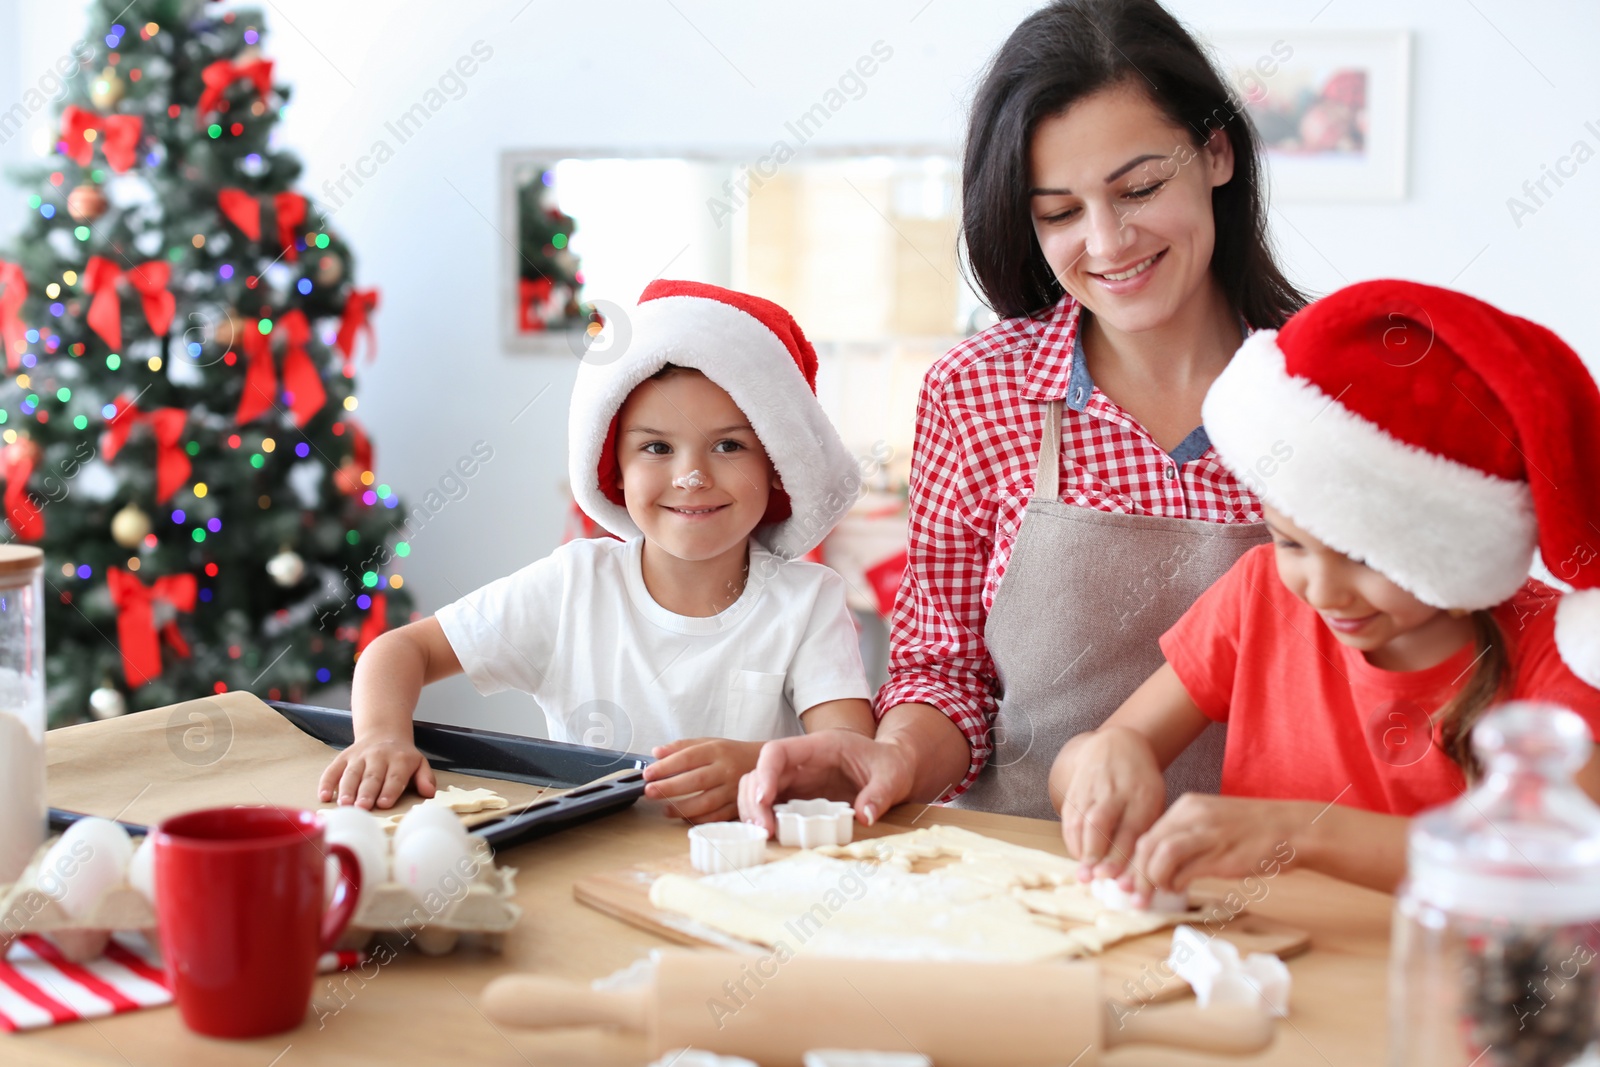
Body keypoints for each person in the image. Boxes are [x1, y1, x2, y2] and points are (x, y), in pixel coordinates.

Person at [741, 0, 1307, 831]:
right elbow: (947, 675)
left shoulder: (1328, 386)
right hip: (1031, 882)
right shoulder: (978, 394)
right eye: (1060, 212)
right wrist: (895, 753)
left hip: (1280, 891)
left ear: (1216, 151)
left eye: (1140, 187)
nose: (1108, 241)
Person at [1052, 279, 1600, 898]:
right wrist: (1105, 758)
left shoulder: (1557, 654)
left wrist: (1300, 834)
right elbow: (1079, 767)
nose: (1322, 589)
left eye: (1363, 557)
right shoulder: (1260, 594)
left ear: (1455, 547)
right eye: (1292, 542)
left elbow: (1550, 856)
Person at [319, 280, 876, 822]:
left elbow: (851, 759)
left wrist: (758, 766)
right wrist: (381, 737)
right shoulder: (573, 586)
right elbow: (397, 652)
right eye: (657, 447)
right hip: (582, 870)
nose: (691, 476)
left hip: (747, 880)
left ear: (776, 464)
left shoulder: (808, 603)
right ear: (614, 467)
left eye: (729, 445)